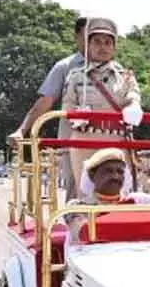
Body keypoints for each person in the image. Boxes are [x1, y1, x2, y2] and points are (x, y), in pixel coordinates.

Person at [58, 18, 143, 191]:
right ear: (88, 46)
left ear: (114, 47)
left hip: (116, 138)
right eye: (96, 41)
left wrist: (133, 106)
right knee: (85, 192)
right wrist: (76, 115)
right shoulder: (75, 76)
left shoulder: (125, 76)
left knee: (118, 191)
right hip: (86, 137)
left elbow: (133, 96)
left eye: (108, 42)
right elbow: (67, 106)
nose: (102, 47)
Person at [8, 17, 89, 189]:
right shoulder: (65, 67)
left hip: (111, 140)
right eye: (88, 35)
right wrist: (22, 130)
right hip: (75, 141)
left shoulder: (117, 70)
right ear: (76, 37)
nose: (95, 42)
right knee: (77, 192)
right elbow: (45, 101)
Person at [64, 148, 150, 242]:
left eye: (120, 172)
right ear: (92, 175)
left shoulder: (140, 202)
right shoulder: (77, 207)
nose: (115, 176)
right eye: (108, 171)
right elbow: (83, 233)